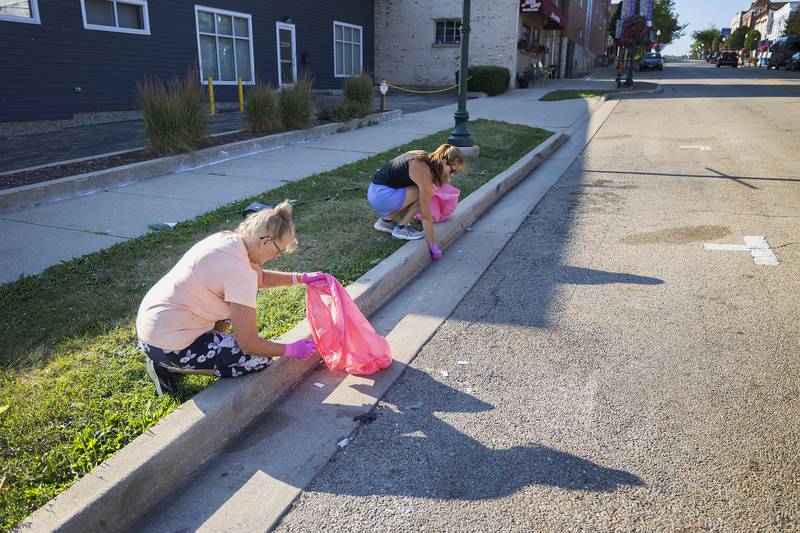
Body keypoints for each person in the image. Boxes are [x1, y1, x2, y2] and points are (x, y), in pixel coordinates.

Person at [135, 201, 324, 396]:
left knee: (230, 309)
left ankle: (203, 347)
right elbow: (248, 343)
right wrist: (290, 349)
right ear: (265, 242)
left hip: (152, 328)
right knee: (258, 359)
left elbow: (260, 277)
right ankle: (171, 367)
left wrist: (301, 278)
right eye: (278, 251)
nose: (276, 257)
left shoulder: (228, 240)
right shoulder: (240, 273)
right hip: (166, 346)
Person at [367, 143, 465, 261]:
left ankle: (386, 222)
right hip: (381, 196)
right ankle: (401, 229)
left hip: (375, 190)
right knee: (424, 193)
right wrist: (433, 246)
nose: (451, 174)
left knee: (423, 190)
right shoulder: (423, 172)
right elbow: (426, 217)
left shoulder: (422, 156)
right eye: (452, 170)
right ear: (444, 162)